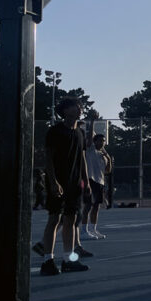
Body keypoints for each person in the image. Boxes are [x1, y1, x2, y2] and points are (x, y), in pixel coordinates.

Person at [31, 97, 91, 276]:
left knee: (71, 221)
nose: (78, 109)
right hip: (58, 182)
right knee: (54, 219)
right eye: (74, 106)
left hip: (74, 183)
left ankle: (68, 259)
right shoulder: (55, 131)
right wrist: (53, 181)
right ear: (65, 110)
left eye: (79, 106)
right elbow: (48, 158)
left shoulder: (79, 132)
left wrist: (86, 181)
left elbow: (82, 159)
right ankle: (47, 260)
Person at [83, 133, 109, 238]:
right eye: (99, 140)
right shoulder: (90, 150)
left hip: (100, 182)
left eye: (103, 141)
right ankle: (84, 231)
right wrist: (93, 120)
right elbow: (89, 138)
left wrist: (108, 158)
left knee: (96, 207)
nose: (102, 142)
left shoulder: (103, 155)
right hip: (91, 180)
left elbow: (108, 170)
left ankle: (93, 229)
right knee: (88, 206)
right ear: (94, 142)